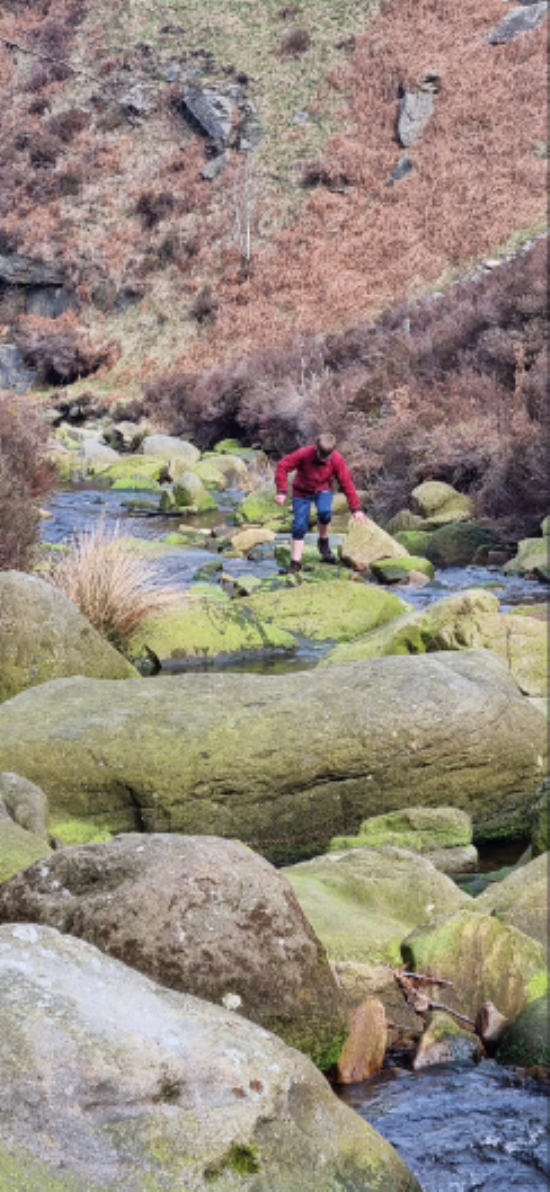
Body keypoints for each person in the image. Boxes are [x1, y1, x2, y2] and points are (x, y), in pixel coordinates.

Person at [274, 432, 367, 571]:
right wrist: (281, 491)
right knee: (299, 526)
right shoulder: (304, 454)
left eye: (327, 457)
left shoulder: (336, 459)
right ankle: (295, 563)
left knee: (325, 513)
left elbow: (346, 483)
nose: (324, 460)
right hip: (301, 491)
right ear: (316, 448)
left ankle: (323, 542)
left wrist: (356, 509)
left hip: (323, 490)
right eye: (321, 456)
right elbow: (282, 466)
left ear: (332, 451)